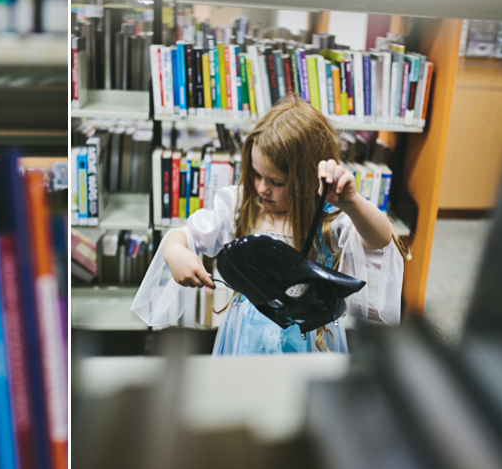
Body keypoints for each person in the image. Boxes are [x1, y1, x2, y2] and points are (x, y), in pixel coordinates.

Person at [131, 96, 408, 355]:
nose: (262, 188)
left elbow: (380, 241)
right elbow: (182, 236)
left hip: (310, 341)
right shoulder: (240, 207)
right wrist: (176, 252)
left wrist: (351, 201)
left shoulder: (329, 216)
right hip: (247, 338)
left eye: (276, 182)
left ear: (309, 180)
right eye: (256, 174)